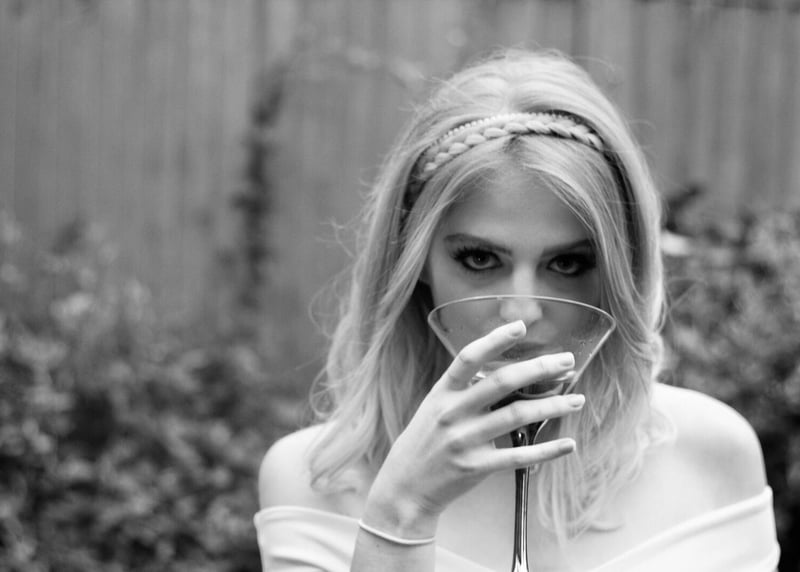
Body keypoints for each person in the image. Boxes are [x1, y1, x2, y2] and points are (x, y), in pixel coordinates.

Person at [256, 49, 780, 571]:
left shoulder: (713, 453)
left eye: (569, 263)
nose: (522, 313)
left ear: (621, 271)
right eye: (480, 259)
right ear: (414, 261)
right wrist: (399, 516)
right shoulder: (313, 483)